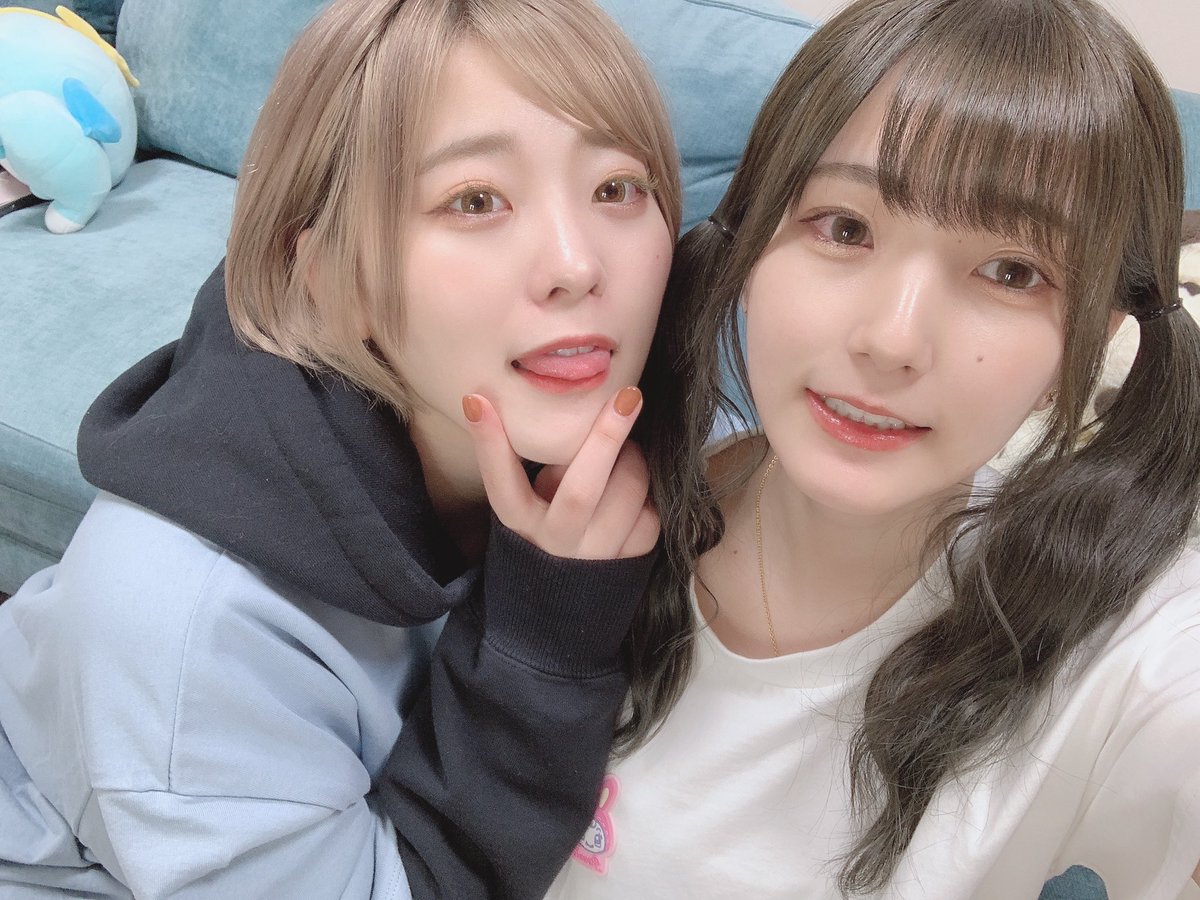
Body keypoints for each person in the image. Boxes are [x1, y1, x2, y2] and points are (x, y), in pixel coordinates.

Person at [0, 0, 681, 897]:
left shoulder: (547, 395)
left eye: (617, 188)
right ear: (328, 278)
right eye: (476, 200)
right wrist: (545, 642)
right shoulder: (190, 627)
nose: (578, 263)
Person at [549, 0, 1200, 896]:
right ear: (752, 241)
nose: (893, 340)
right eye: (845, 227)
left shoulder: (1124, 653)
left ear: (1092, 339)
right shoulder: (585, 518)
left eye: (1012, 272)